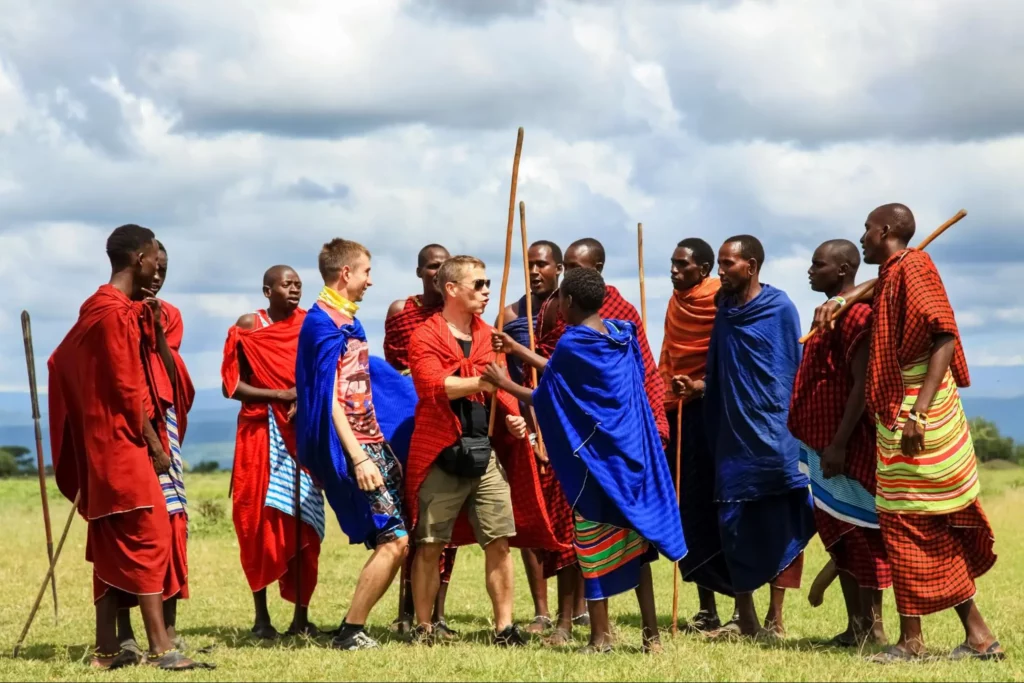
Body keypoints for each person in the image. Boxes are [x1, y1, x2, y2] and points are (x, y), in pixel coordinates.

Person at [816, 204, 1001, 662]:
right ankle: (970, 636)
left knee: (908, 521)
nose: (862, 238)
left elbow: (944, 336)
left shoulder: (914, 267)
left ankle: (919, 641)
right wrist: (843, 299)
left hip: (920, 411)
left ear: (886, 230)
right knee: (908, 522)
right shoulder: (898, 270)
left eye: (866, 230)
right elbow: (879, 285)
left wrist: (918, 413)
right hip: (901, 409)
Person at [486, 267, 686, 653]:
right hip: (631, 459)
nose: (555, 304)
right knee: (638, 549)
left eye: (559, 299)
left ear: (570, 303)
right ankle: (652, 637)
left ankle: (599, 637)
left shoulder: (572, 342)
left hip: (599, 464)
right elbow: (565, 374)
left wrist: (503, 382)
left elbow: (549, 394)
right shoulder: (619, 335)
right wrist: (518, 351)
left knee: (592, 545)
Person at [48, 224, 209, 670]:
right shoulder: (113, 312)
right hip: (122, 443)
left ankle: (105, 653)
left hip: (106, 442)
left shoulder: (102, 307)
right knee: (151, 536)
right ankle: (160, 648)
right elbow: (126, 387)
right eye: (157, 256)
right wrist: (156, 444)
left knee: (110, 540)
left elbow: (62, 360)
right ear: (140, 258)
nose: (160, 265)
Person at [404, 255, 563, 647]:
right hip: (441, 450)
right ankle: (424, 628)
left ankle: (504, 628)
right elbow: (431, 385)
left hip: (483, 452)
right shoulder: (425, 334)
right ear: (452, 289)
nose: (486, 290)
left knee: (499, 540)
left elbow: (503, 385)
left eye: (488, 283)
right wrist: (483, 381)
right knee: (430, 543)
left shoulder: (488, 335)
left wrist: (514, 419)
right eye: (478, 284)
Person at [533, 237, 669, 641]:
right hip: (585, 441)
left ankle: (604, 635)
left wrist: (654, 427)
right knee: (579, 536)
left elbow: (642, 377)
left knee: (606, 540)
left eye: (580, 266)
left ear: (599, 269)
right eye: (568, 265)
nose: (570, 273)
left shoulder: (615, 322)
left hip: (606, 447)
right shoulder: (576, 319)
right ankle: (568, 621)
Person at [295, 239, 410, 650]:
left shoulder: (349, 321)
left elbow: (357, 385)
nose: (369, 281)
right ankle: (350, 630)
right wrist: (358, 456)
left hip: (372, 442)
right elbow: (326, 398)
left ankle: (352, 626)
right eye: (365, 272)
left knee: (396, 538)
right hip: (354, 449)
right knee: (394, 539)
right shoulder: (320, 324)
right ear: (346, 273)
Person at [699, 235, 816, 638]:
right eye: (718, 263)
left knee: (782, 518)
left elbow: (789, 371)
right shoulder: (725, 312)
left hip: (776, 432)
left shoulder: (779, 308)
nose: (720, 271)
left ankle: (776, 618)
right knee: (733, 524)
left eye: (727, 264)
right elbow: (719, 371)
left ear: (750, 266)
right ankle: (745, 616)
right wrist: (699, 389)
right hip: (734, 436)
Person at [789, 239, 890, 647]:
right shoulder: (828, 314)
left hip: (843, 447)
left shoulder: (855, 317)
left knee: (862, 533)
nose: (810, 271)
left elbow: (863, 385)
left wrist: (840, 444)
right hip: (820, 444)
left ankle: (875, 627)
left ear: (845, 269)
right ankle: (856, 626)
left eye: (819, 265)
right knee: (840, 534)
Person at [221, 266, 325, 640]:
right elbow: (231, 385)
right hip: (259, 434)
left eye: (298, 284)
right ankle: (261, 619)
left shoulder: (310, 324)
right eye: (287, 284)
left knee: (306, 522)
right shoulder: (250, 324)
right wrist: (281, 395)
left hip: (302, 434)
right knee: (256, 522)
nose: (295, 289)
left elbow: (320, 374)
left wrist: (305, 399)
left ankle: (301, 617)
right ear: (268, 291)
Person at [115, 241, 196, 657]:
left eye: (166, 268)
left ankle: (166, 625)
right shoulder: (113, 313)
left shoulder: (169, 314)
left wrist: (158, 331)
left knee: (173, 522)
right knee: (128, 527)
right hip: (124, 432)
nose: (159, 276)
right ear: (139, 264)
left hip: (162, 426)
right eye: (155, 267)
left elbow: (172, 375)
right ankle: (123, 634)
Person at [659, 238, 735, 633]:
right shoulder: (676, 302)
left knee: (723, 504)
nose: (674, 271)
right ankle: (707, 609)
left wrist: (702, 385)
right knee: (688, 509)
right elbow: (669, 354)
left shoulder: (721, 299)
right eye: (672, 264)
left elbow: (729, 355)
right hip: (678, 409)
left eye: (682, 265)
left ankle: (744, 606)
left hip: (714, 410)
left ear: (703, 270)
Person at [383, 243, 459, 636]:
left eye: (444, 266)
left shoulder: (458, 313)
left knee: (446, 526)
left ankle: (438, 613)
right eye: (431, 267)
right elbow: (392, 376)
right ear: (419, 272)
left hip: (451, 423)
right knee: (414, 520)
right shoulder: (402, 313)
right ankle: (406, 612)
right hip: (409, 424)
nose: (438, 272)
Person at [494, 240, 566, 635]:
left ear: (557, 268)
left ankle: (580, 609)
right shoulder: (509, 312)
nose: (535, 271)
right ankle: (542, 611)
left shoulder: (569, 310)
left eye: (542, 264)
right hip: (523, 421)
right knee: (530, 516)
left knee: (572, 519)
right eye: (529, 264)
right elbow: (500, 367)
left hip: (565, 424)